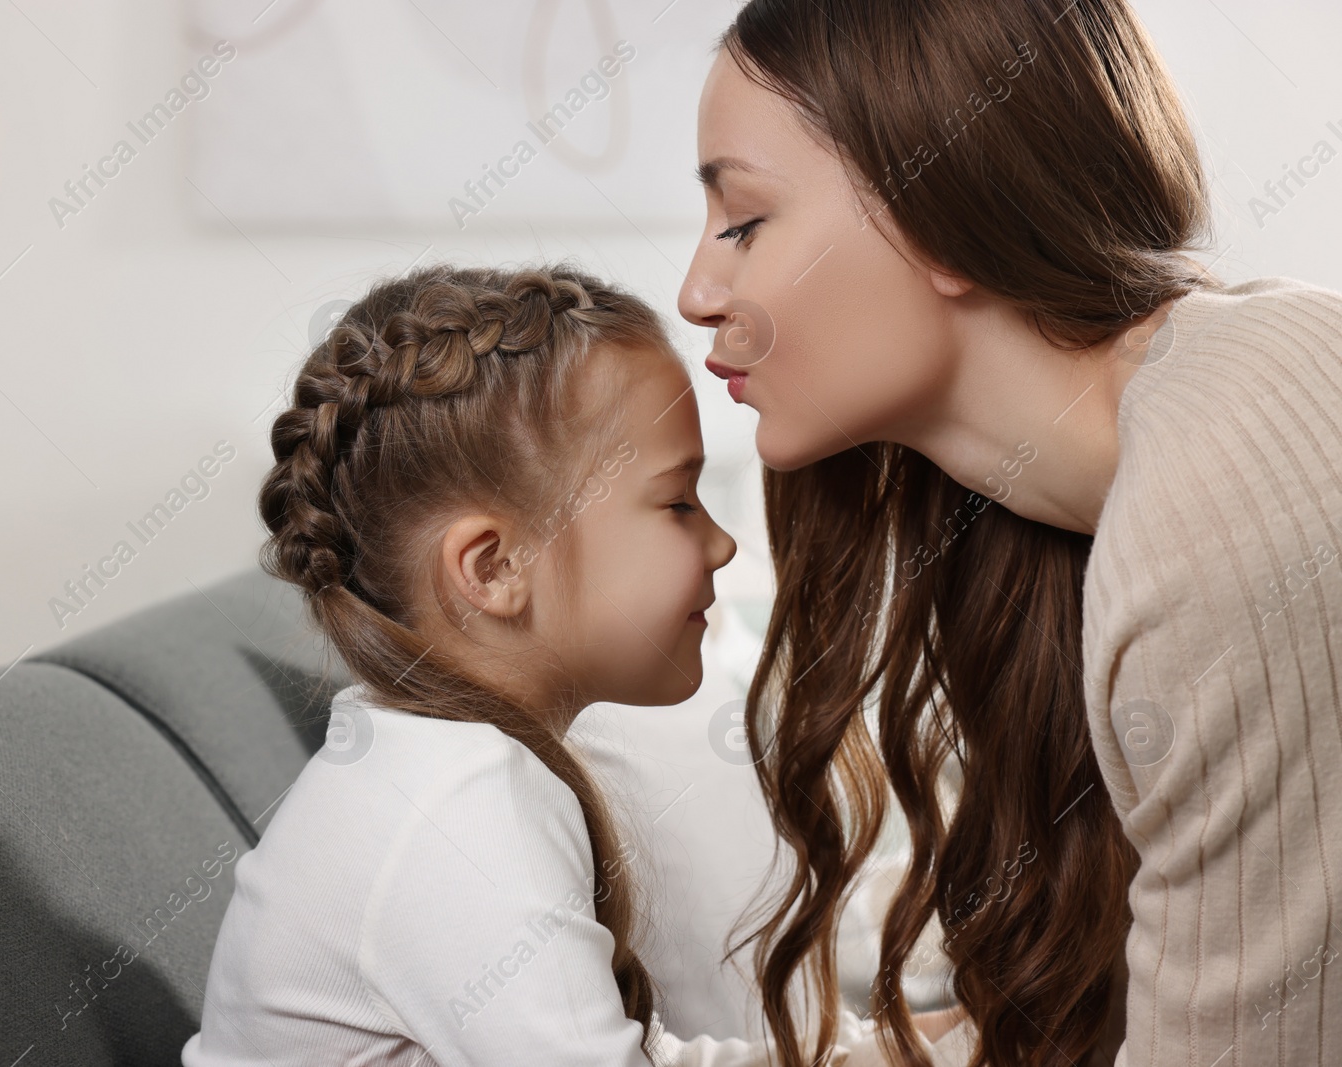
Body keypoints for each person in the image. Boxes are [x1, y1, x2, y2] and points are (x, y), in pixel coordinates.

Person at [679, 1, 1342, 1066]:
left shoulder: (1221, 489)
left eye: (745, 223)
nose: (698, 292)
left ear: (940, 212)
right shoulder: (1078, 508)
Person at [179, 263, 872, 1065]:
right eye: (678, 502)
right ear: (496, 567)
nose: (721, 543)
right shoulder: (459, 804)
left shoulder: (443, 759)